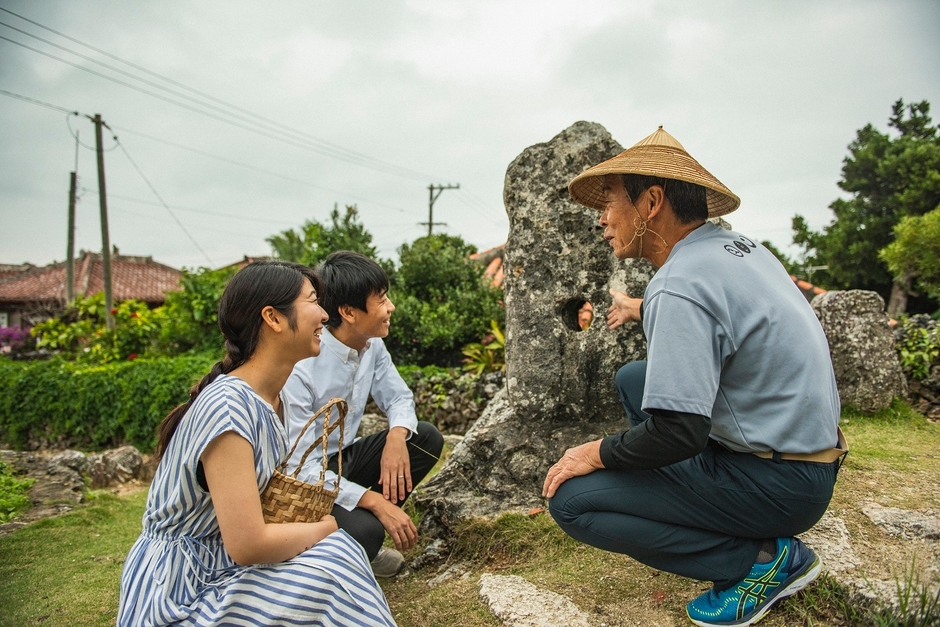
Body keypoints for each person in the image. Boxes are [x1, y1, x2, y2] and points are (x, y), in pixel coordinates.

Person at [542, 127, 847, 627]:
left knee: (573, 501)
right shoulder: (739, 249)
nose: (601, 219)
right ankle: (707, 512)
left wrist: (590, 453)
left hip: (782, 485)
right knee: (635, 379)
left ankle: (758, 562)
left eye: (612, 202)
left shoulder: (679, 283)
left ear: (652, 202)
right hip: (811, 458)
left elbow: (678, 433)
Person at [117, 261, 396, 627]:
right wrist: (327, 526)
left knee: (337, 553)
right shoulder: (229, 408)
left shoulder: (269, 400)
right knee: (335, 557)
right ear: (273, 318)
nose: (325, 316)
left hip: (215, 565)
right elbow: (248, 543)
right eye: (313, 301)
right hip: (177, 588)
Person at [283, 250, 444, 578]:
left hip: (344, 459)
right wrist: (372, 499)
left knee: (425, 438)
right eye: (381, 300)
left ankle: (359, 534)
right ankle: (356, 539)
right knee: (368, 531)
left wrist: (397, 436)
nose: (390, 308)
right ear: (348, 312)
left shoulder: (372, 344)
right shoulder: (303, 363)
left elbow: (398, 397)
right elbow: (299, 467)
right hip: (304, 478)